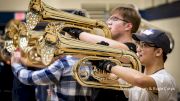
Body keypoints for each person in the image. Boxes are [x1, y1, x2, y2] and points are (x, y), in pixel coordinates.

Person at [63, 4, 141, 101]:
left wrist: (77, 32)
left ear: (128, 26)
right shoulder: (105, 48)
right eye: (109, 19)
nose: (108, 22)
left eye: (115, 19)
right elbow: (73, 51)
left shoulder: (133, 49)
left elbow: (110, 46)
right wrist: (70, 26)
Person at [93, 29, 177, 101]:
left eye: (144, 45)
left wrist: (108, 65)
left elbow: (140, 81)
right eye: (138, 44)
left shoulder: (167, 80)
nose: (138, 49)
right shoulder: (136, 77)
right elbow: (107, 78)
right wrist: (98, 58)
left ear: (158, 52)